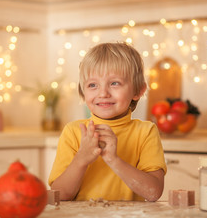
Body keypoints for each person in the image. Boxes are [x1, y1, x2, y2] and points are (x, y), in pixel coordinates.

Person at [48, 42, 167, 202]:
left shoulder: (145, 132)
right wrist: (81, 159)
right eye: (92, 85)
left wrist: (113, 159)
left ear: (138, 90)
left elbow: (153, 192)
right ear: (83, 92)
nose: (103, 93)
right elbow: (59, 195)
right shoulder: (74, 131)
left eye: (114, 83)